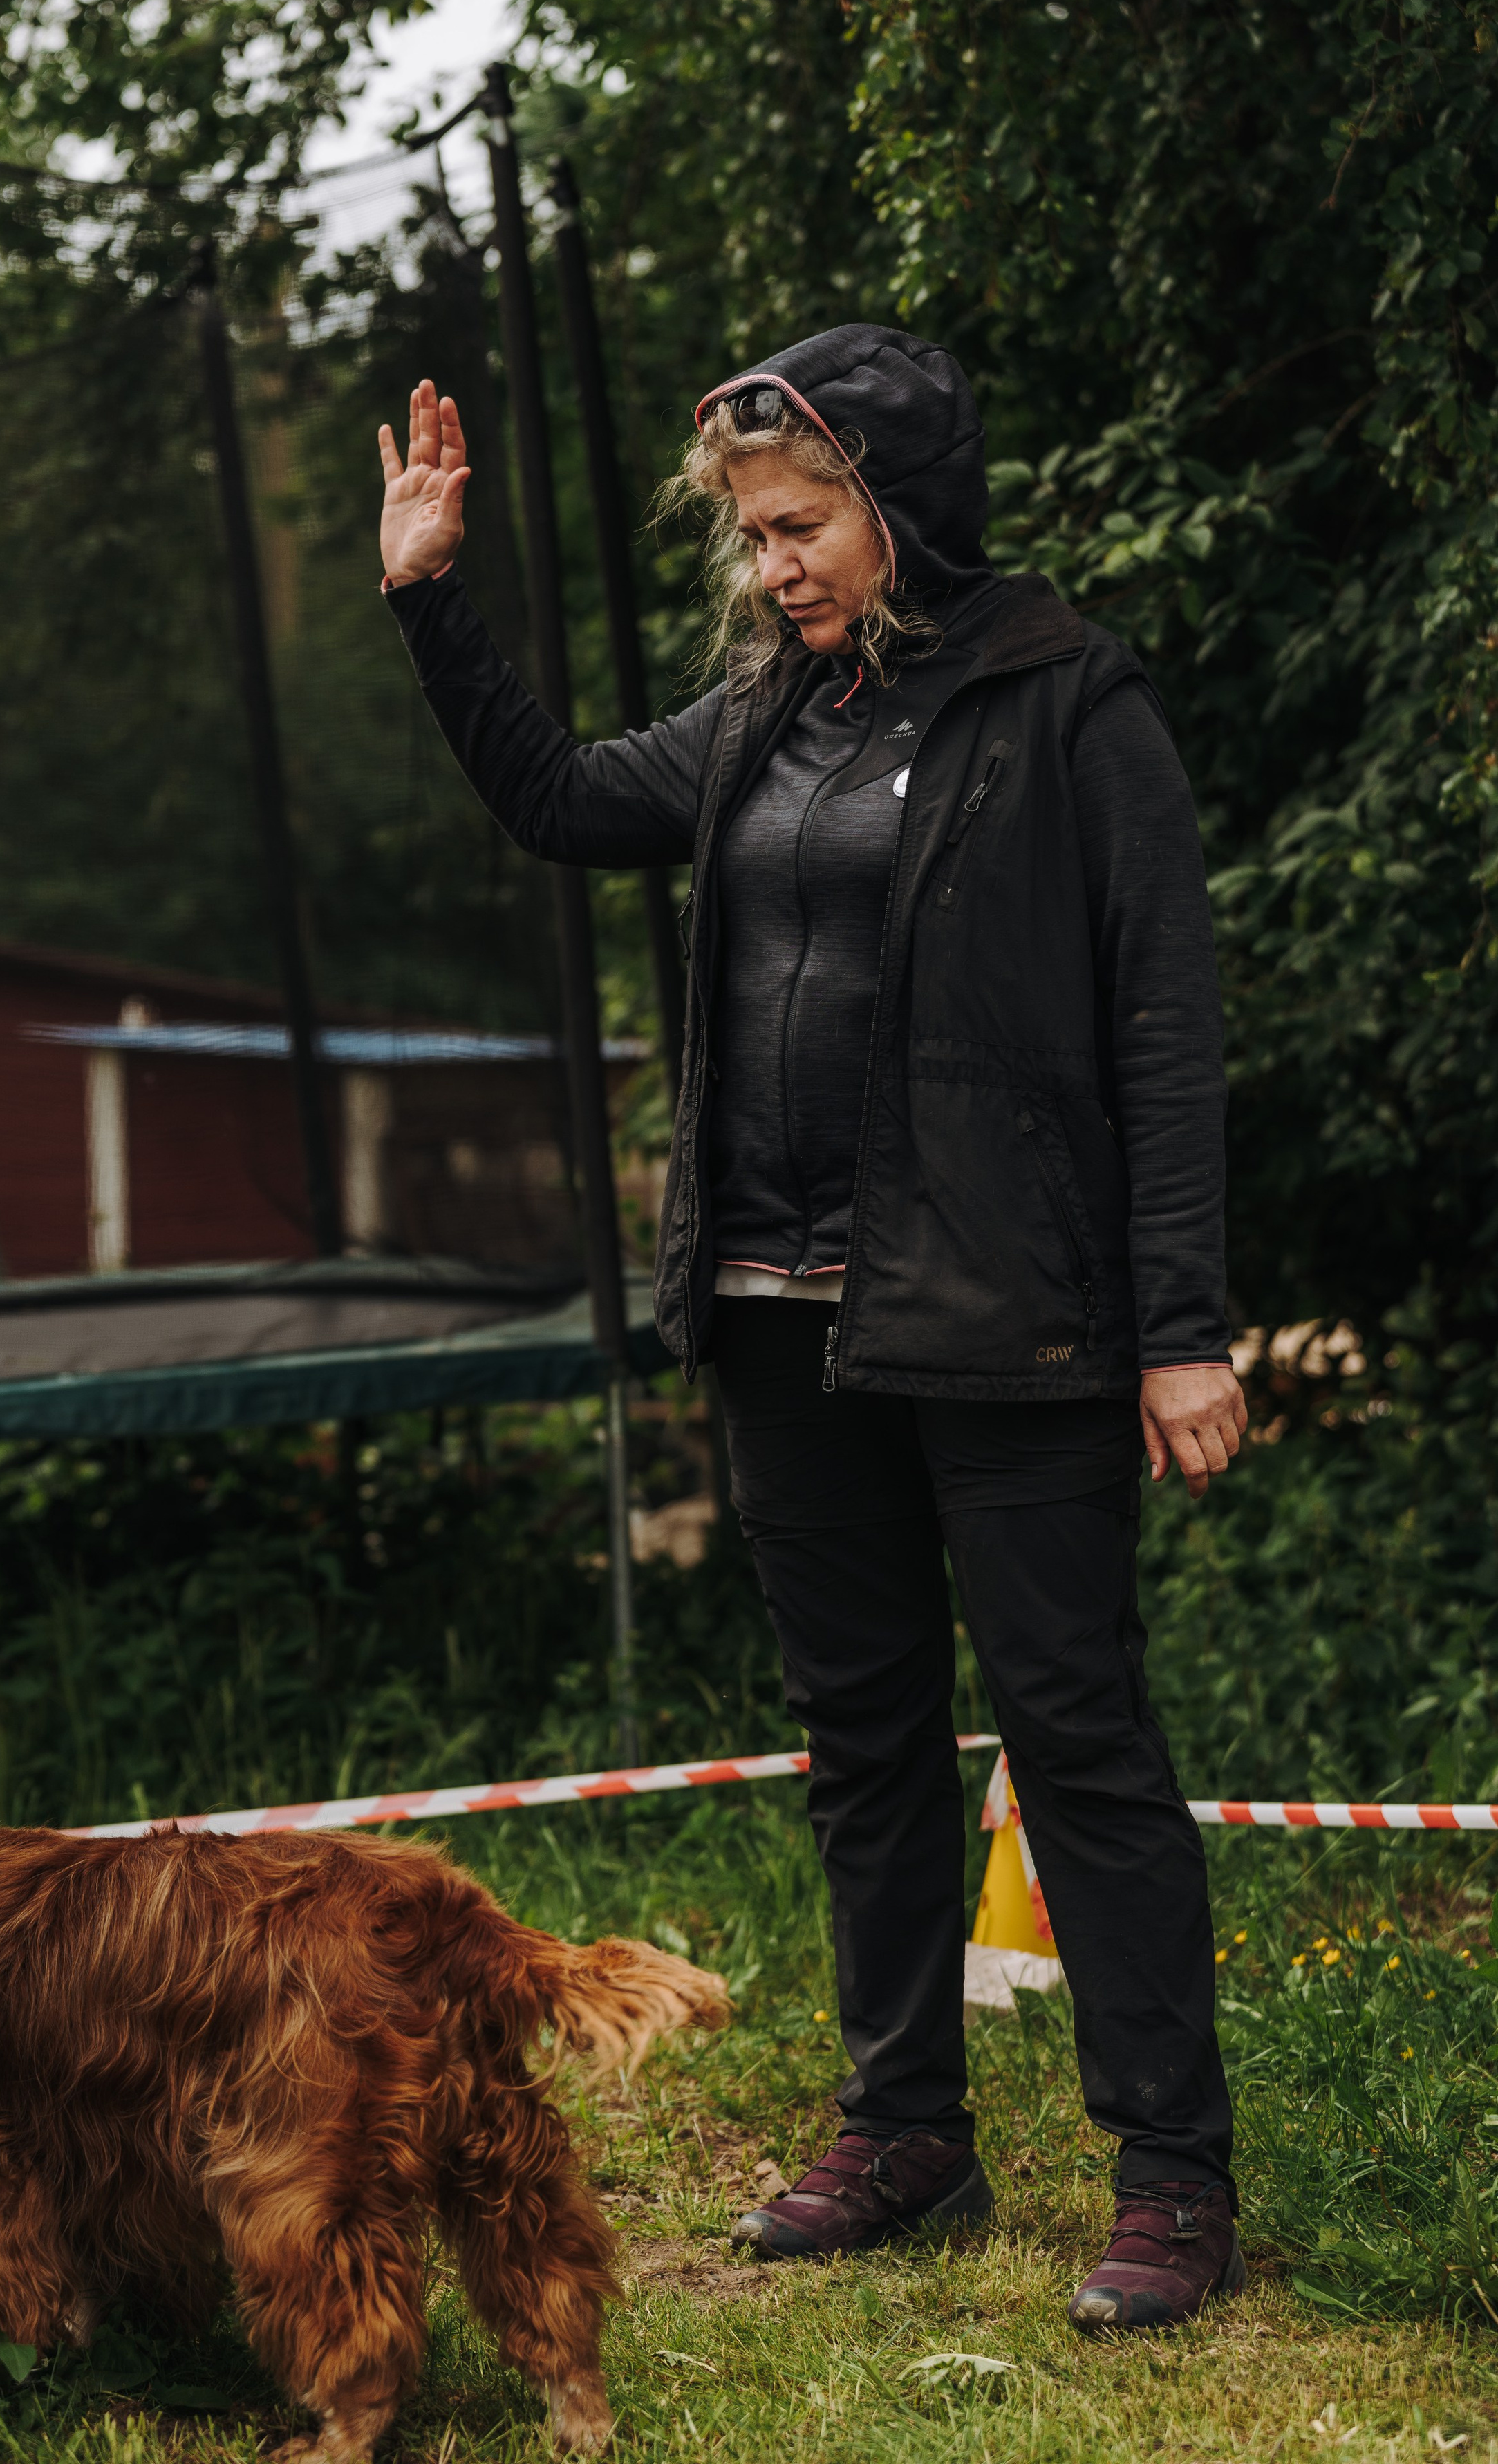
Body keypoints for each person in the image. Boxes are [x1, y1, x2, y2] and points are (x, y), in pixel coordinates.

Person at [376, 326, 1249, 2333]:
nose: (773, 565)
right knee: (865, 1747)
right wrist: (434, 597)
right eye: (755, 535)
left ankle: (1174, 2175)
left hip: (1009, 1314)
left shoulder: (1066, 704)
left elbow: (1166, 1031)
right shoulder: (773, 715)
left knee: (1078, 1740)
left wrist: (1180, 1324)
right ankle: (907, 2128)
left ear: (903, 505)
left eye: (805, 525)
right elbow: (564, 800)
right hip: (780, 1318)